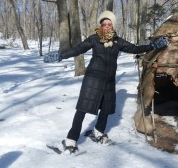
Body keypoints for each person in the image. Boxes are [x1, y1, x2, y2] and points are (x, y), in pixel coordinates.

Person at [43, 10, 168, 154]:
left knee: (106, 109)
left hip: (108, 81)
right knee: (83, 109)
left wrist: (152, 46)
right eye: (104, 24)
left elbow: (134, 48)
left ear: (113, 26)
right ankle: (71, 139)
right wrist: (61, 56)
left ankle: (98, 132)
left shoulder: (117, 41)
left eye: (109, 24)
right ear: (101, 26)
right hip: (93, 79)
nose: (107, 26)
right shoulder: (94, 39)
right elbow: (78, 49)